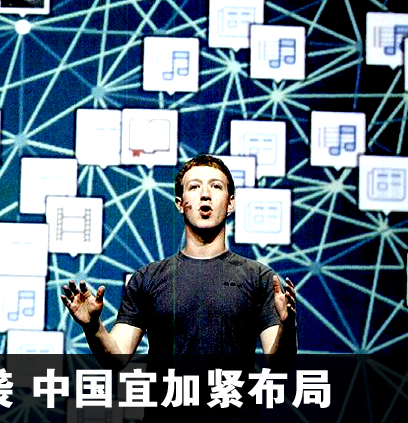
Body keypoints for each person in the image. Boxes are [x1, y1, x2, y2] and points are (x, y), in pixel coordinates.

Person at [61, 154, 297, 421]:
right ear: (180, 204)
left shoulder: (258, 278)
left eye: (216, 186)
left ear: (230, 203)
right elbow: (116, 359)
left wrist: (287, 326)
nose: (205, 194)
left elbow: (279, 366)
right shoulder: (148, 278)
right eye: (194, 187)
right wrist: (93, 327)